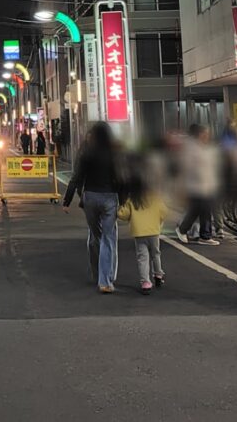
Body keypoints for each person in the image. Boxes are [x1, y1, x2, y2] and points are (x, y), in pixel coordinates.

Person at [62, 122, 125, 293]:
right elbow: (121, 178)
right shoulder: (114, 153)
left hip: (90, 198)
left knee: (95, 236)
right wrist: (124, 201)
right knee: (108, 238)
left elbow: (76, 178)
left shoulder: (87, 153)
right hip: (109, 198)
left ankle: (98, 273)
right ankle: (105, 280)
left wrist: (67, 201)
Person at [174, 124, 221, 245]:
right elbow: (187, 166)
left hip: (205, 185)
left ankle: (204, 235)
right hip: (196, 185)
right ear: (200, 134)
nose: (208, 136)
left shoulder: (203, 147)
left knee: (203, 210)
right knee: (198, 209)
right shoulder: (191, 147)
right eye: (205, 133)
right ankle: (186, 230)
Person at [118, 188, 167, 294]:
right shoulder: (156, 198)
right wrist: (159, 221)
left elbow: (123, 214)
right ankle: (158, 275)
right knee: (156, 254)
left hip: (139, 233)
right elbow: (164, 212)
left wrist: (119, 208)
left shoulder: (132, 199)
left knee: (142, 258)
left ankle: (145, 283)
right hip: (154, 232)